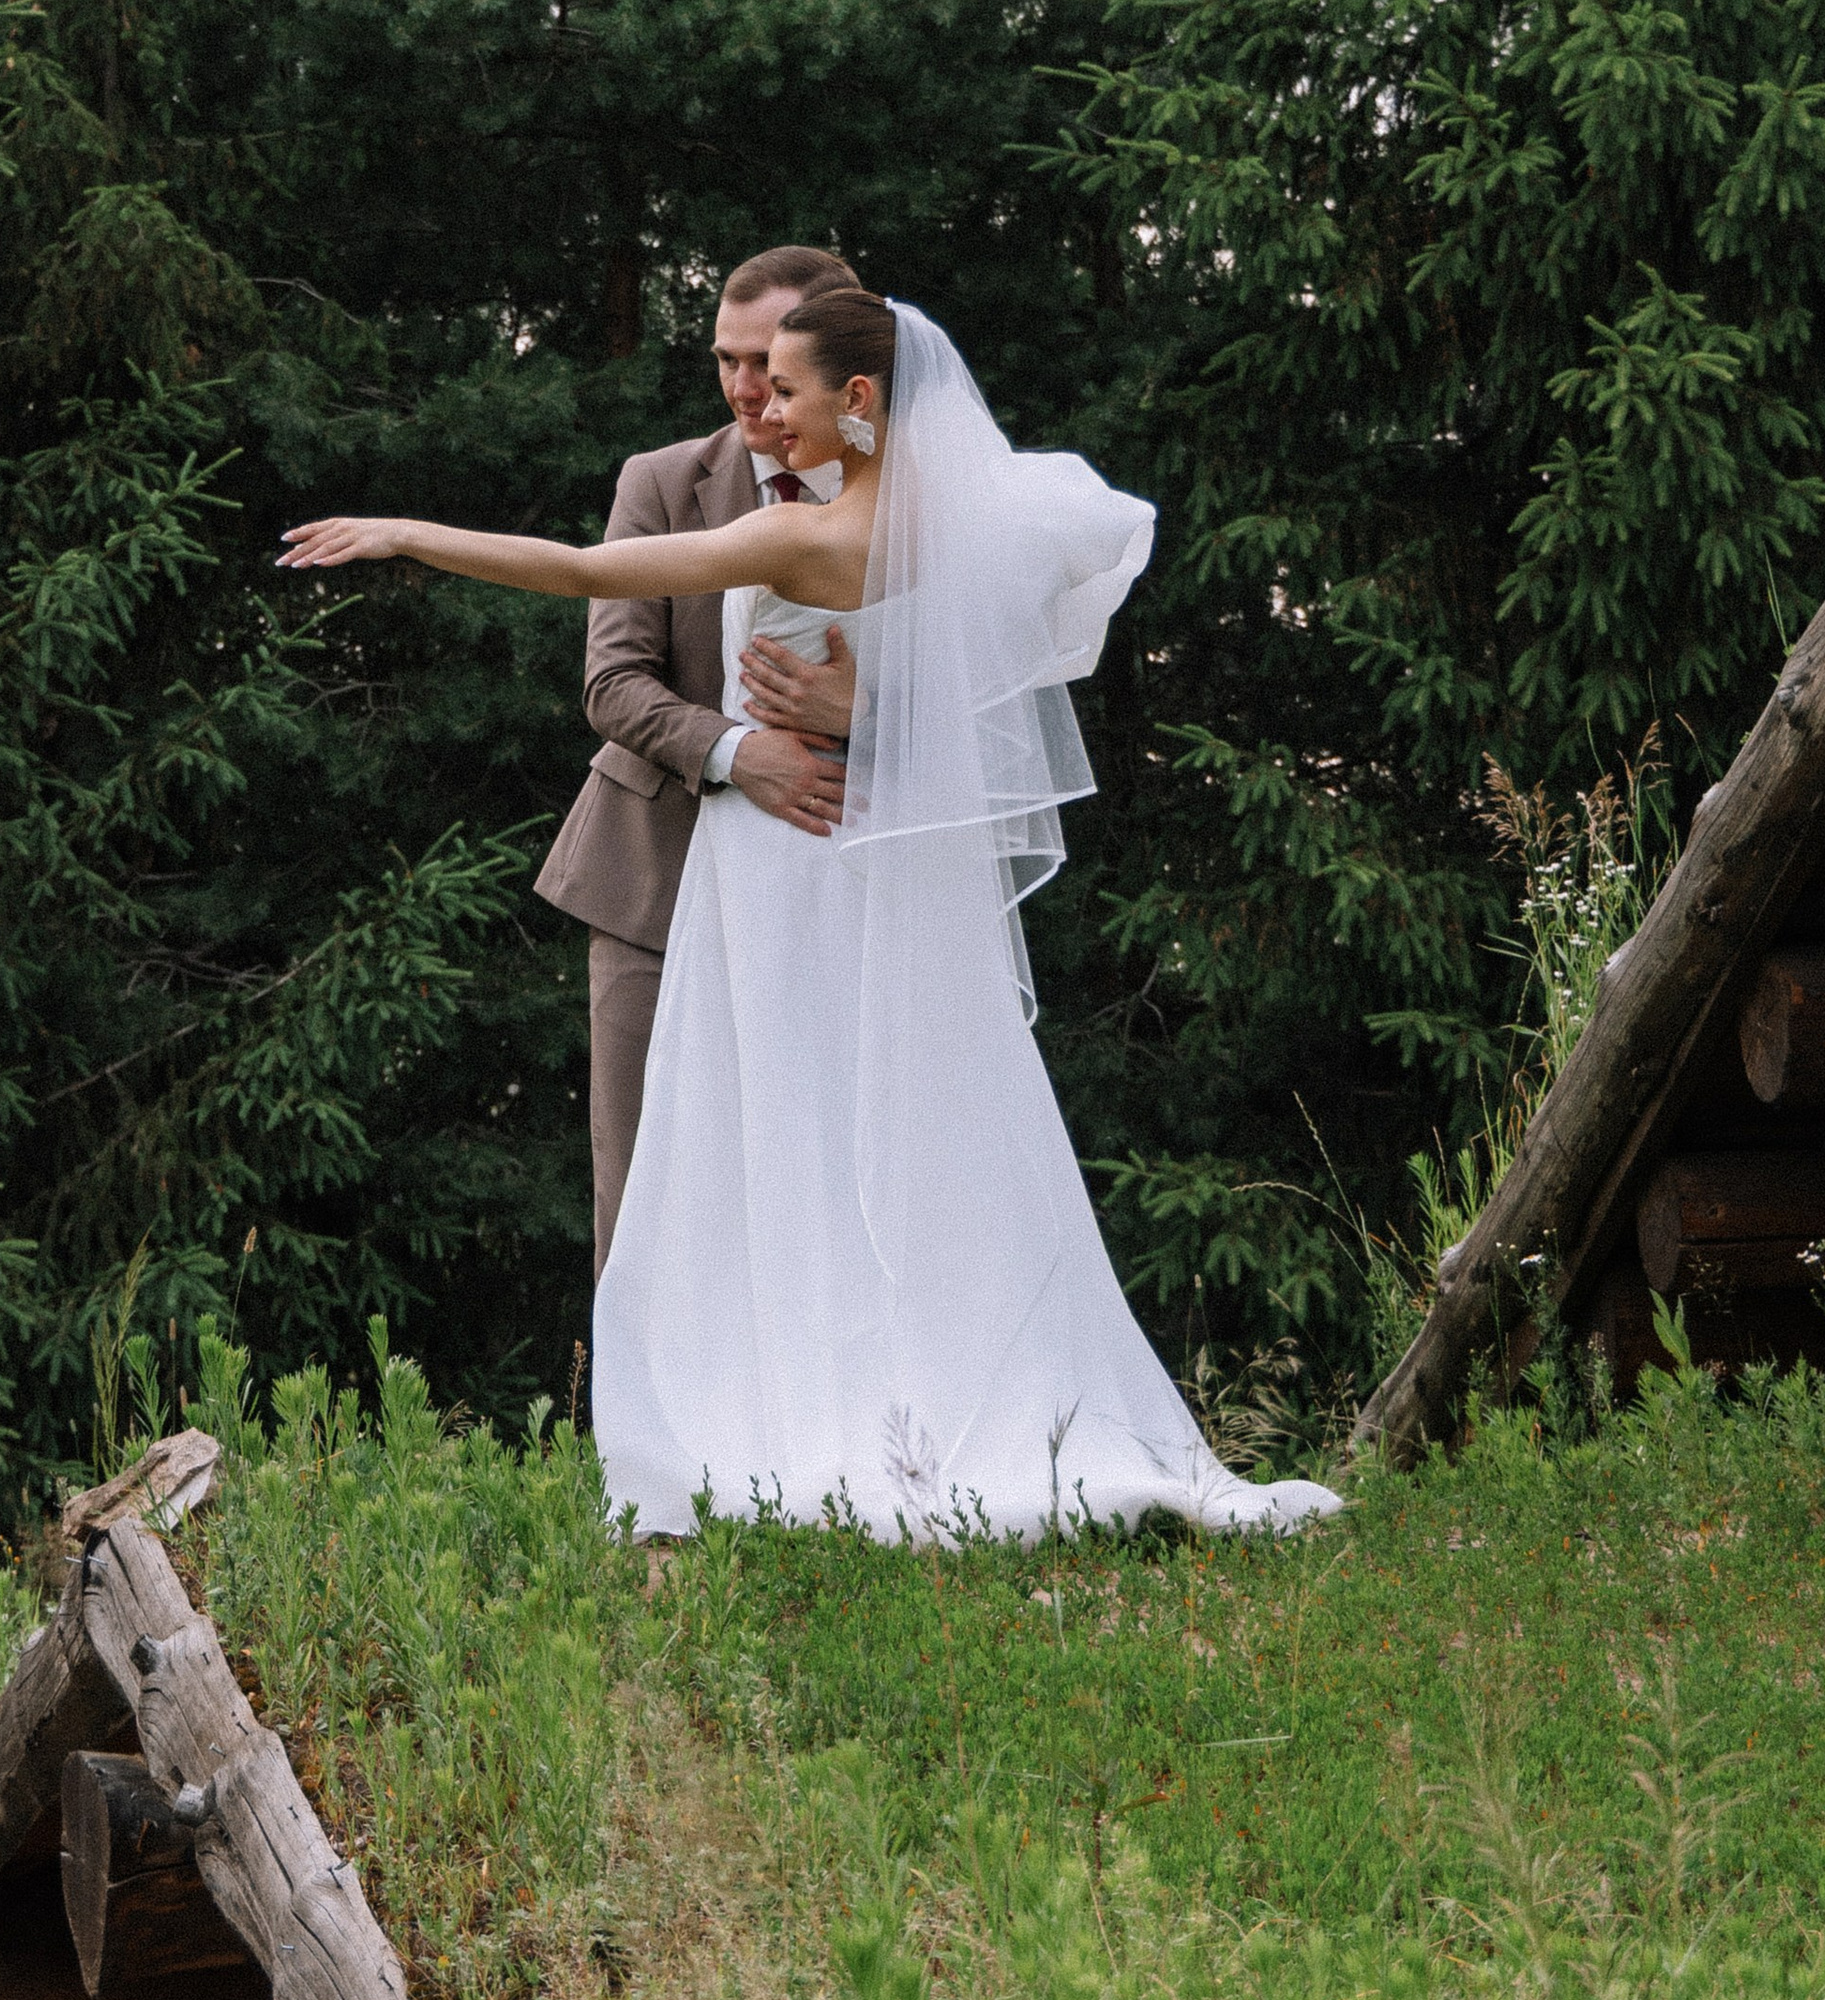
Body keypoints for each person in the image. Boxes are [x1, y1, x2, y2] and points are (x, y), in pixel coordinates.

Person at [279, 291, 1337, 1543]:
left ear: (860, 400)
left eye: (784, 389)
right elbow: (1082, 566)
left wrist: (406, 533)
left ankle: (802, 1417)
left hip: (782, 869)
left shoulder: (804, 538)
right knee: (901, 1126)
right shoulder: (987, 522)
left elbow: (582, 573)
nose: (763, 411)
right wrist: (881, 701)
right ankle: (919, 1402)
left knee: (778, 1129)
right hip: (889, 866)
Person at [531, 244, 861, 1277]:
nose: (744, 387)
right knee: (645, 1187)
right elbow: (612, 683)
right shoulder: (663, 482)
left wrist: (863, 709)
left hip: (837, 886)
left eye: (767, 363)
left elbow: (976, 690)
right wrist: (735, 751)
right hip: (654, 886)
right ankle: (633, 1390)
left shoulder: (897, 499)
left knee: (822, 1179)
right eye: (726, 360)